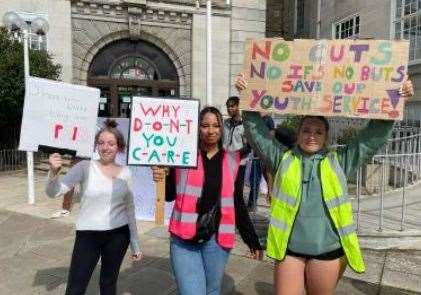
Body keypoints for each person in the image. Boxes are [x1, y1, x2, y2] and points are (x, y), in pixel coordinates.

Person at [236, 74, 414, 295]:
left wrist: (397, 102)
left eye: (319, 131)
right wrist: (246, 96)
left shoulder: (340, 161)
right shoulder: (282, 157)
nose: (312, 136)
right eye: (306, 130)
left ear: (326, 137)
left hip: (327, 252)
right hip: (289, 250)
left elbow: (371, 139)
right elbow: (257, 133)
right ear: (298, 133)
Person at [152, 106, 263, 295]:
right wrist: (162, 175)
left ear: (222, 128)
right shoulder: (182, 156)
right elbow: (170, 195)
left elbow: (237, 202)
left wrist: (251, 239)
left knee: (211, 291)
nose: (210, 131)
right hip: (183, 238)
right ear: (197, 128)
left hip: (217, 240)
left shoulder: (231, 160)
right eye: (204, 125)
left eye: (215, 126)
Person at [45, 119, 142, 295]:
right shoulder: (85, 167)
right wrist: (53, 173)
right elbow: (55, 192)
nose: (106, 147)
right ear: (96, 146)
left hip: (118, 236)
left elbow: (130, 208)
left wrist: (135, 243)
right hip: (88, 236)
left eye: (111, 144)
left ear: (119, 147)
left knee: (108, 284)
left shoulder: (126, 173)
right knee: (75, 287)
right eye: (101, 143)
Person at [223, 96, 249, 212]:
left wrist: (235, 155)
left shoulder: (245, 125)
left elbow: (248, 147)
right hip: (225, 163)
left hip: (239, 164)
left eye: (232, 106)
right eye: (228, 107)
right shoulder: (226, 123)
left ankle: (240, 218)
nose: (229, 109)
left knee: (237, 194)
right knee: (225, 191)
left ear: (239, 107)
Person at [247, 112, 275, 210]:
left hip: (265, 153)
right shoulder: (255, 121)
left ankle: (271, 198)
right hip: (255, 153)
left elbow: (271, 136)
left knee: (268, 178)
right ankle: (252, 203)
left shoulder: (268, 120)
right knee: (254, 179)